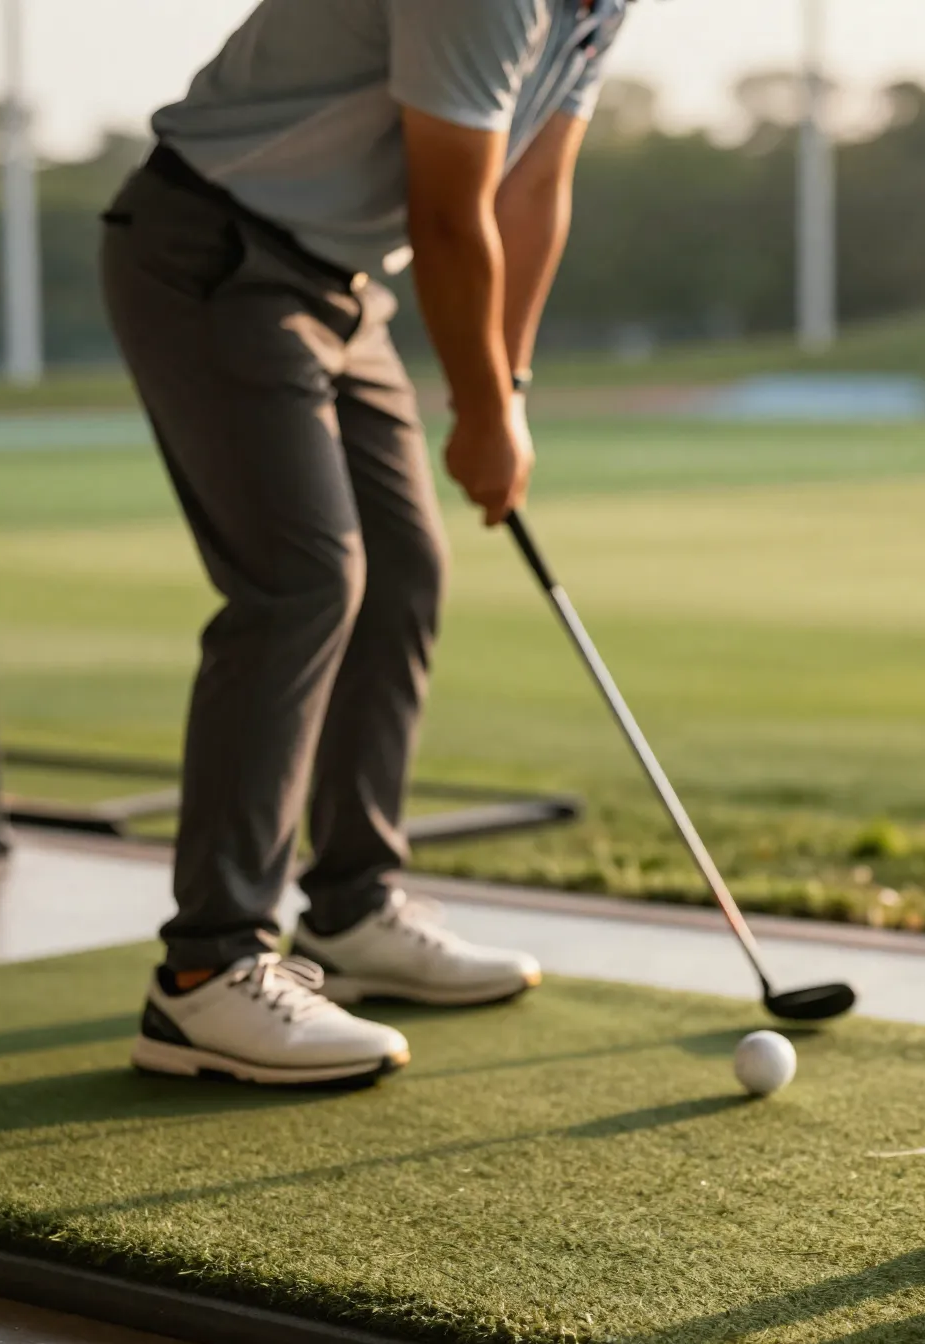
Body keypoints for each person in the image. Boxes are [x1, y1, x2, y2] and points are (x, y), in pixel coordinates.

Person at [101, 0, 626, 1086]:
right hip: (212, 245)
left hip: (337, 282)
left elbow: (533, 185)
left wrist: (509, 388)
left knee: (402, 573)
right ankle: (205, 971)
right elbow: (447, 211)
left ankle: (350, 909)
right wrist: (478, 408)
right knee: (300, 582)